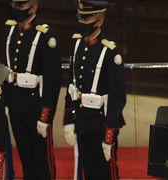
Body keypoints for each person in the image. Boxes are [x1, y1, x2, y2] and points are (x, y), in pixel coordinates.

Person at [63, 0, 126, 179]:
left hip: (101, 122)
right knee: (88, 170)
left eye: (87, 19)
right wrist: (68, 118)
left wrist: (110, 133)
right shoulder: (78, 45)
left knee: (106, 172)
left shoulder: (111, 52)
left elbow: (118, 97)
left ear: (99, 21)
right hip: (82, 120)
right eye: (81, 18)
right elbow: (72, 86)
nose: (82, 23)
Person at [3, 0, 62, 179]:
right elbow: (4, 66)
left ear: (34, 7)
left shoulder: (45, 35)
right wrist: (3, 101)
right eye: (15, 5)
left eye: (21, 6)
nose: (17, 10)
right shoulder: (11, 30)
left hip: (35, 106)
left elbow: (53, 80)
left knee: (42, 160)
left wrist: (46, 116)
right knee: (25, 158)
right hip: (15, 104)